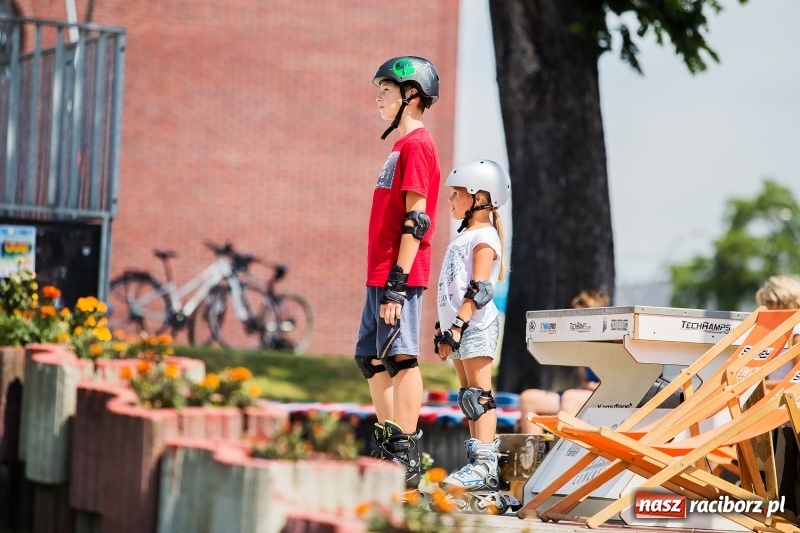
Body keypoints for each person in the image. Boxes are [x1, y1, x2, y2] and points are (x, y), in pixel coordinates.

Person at [353, 56, 441, 489]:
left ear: (411, 95)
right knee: (370, 357)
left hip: (397, 274)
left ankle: (405, 454)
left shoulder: (418, 145)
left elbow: (417, 219)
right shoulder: (399, 146)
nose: (379, 98)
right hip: (381, 272)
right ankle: (389, 444)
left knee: (400, 356)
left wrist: (397, 284)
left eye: (385, 90)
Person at [434, 159, 511, 498]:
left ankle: (485, 465)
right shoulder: (464, 237)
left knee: (479, 395)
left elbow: (480, 290)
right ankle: (476, 465)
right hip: (460, 327)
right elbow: (451, 289)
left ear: (478, 197)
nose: (450, 199)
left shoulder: (485, 237)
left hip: (475, 326)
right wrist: (442, 328)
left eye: (456, 193)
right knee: (468, 397)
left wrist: (456, 326)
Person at [517, 289, 610, 435]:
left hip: (605, 399)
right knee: (528, 398)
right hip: (583, 394)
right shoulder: (583, 345)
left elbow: (614, 387)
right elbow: (584, 381)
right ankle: (533, 448)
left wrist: (589, 386)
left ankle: (563, 448)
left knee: (569, 398)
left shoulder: (609, 345)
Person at [756, 275, 800, 385]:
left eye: (767, 302)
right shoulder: (784, 330)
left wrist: (759, 386)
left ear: (782, 301)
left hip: (788, 395)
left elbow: (798, 381)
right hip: (780, 394)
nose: (764, 307)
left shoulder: (796, 332)